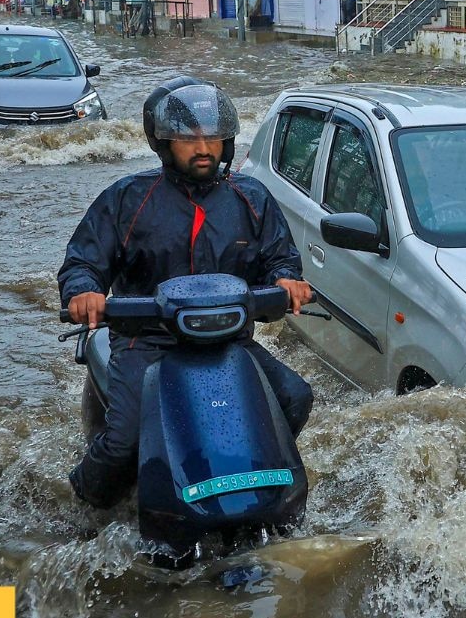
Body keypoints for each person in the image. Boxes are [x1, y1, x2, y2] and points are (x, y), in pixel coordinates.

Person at [59, 76, 315, 509]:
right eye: (187, 138)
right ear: (164, 144)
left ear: (228, 142)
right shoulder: (127, 199)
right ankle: (83, 503)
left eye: (213, 137)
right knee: (123, 441)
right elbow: (83, 262)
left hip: (228, 340)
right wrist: (84, 292)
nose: (203, 148)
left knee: (295, 396)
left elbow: (280, 259)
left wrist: (287, 280)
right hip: (149, 342)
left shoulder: (251, 198)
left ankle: (246, 476)